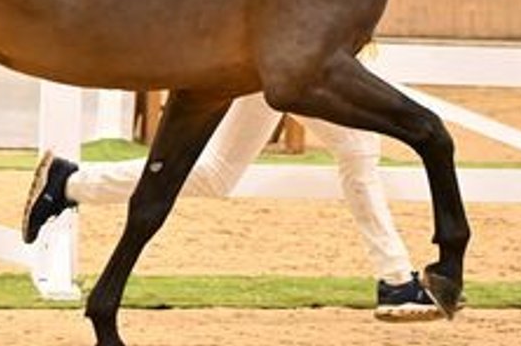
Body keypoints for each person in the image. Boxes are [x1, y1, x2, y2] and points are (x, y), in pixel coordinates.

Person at [23, 91, 446, 321]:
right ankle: (395, 280)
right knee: (357, 147)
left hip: (270, 57)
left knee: (218, 173)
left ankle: (70, 183)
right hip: (283, 56)